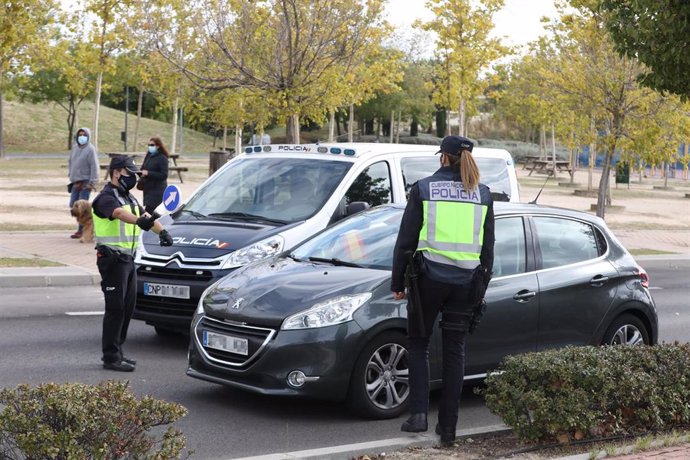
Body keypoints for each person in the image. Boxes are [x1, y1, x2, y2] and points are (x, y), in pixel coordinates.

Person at [391, 135, 495, 445]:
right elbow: (488, 249)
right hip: (465, 283)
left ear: (443, 158)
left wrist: (397, 283)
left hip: (428, 280)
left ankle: (419, 415)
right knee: (454, 352)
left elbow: (406, 240)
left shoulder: (423, 188)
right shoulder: (483, 194)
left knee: (419, 344)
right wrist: (480, 287)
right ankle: (448, 430)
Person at [92, 155, 174, 372]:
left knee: (127, 308)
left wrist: (162, 231)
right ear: (117, 172)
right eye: (131, 173)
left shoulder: (129, 198)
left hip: (128, 260)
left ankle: (118, 351)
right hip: (112, 260)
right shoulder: (106, 197)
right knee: (115, 308)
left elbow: (145, 216)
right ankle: (110, 357)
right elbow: (119, 214)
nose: (134, 177)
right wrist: (140, 221)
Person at [67, 127, 99, 239]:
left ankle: (82, 230)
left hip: (86, 182)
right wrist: (70, 176)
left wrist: (92, 182)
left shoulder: (90, 149)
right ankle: (83, 227)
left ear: (88, 136)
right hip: (76, 181)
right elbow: (71, 162)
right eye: (80, 135)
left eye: (84, 135)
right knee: (73, 204)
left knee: (83, 207)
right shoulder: (75, 148)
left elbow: (94, 166)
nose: (82, 137)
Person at [139, 136, 170, 214]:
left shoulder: (162, 158)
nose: (150, 147)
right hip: (148, 189)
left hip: (157, 191)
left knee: (150, 214)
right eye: (149, 145)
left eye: (152, 145)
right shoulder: (149, 156)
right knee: (150, 214)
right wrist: (141, 173)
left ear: (158, 146)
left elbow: (164, 175)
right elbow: (143, 167)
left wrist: (148, 173)